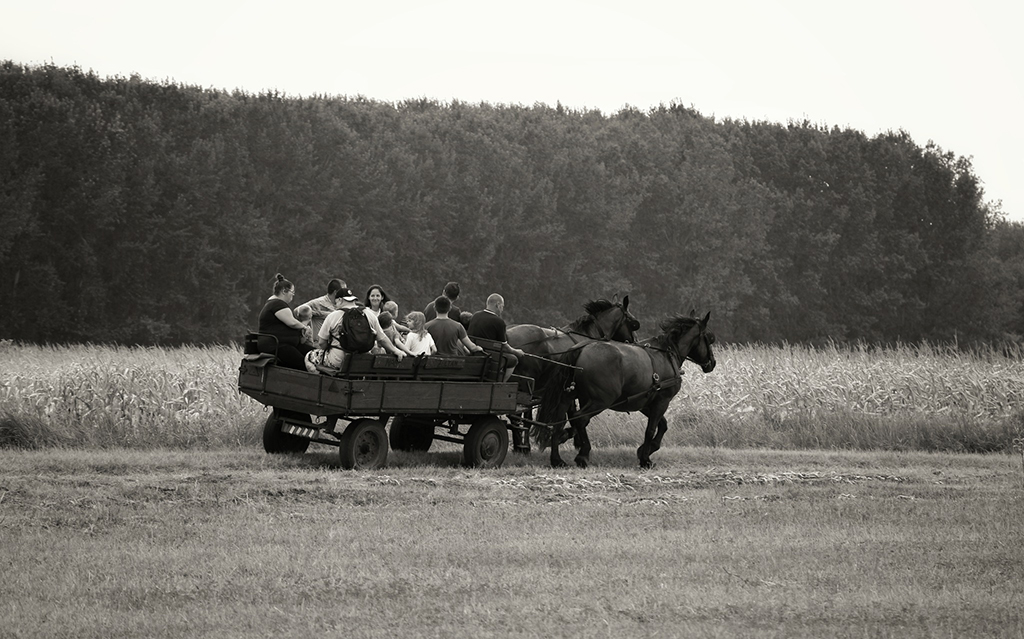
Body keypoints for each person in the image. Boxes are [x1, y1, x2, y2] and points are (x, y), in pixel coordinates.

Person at [307, 286, 406, 371]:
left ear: (340, 300)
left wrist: (329, 349)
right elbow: (382, 338)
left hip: (338, 361)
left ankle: (325, 385)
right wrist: (395, 351)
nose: (335, 305)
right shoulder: (369, 314)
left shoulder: (333, 315)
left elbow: (321, 342)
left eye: (335, 302)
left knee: (309, 357)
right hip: (362, 361)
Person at [257, 273, 314, 370]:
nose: (293, 296)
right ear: (284, 291)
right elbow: (292, 322)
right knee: (303, 364)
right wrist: (305, 327)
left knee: (313, 354)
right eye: (292, 292)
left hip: (282, 344)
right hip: (277, 346)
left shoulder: (273, 304)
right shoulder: (277, 304)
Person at [468, 293, 526, 382]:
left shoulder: (475, 315)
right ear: (497, 305)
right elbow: (505, 347)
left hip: (472, 353)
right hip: (489, 357)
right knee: (513, 360)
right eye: (502, 306)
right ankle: (501, 384)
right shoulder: (499, 322)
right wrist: (516, 351)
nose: (502, 309)